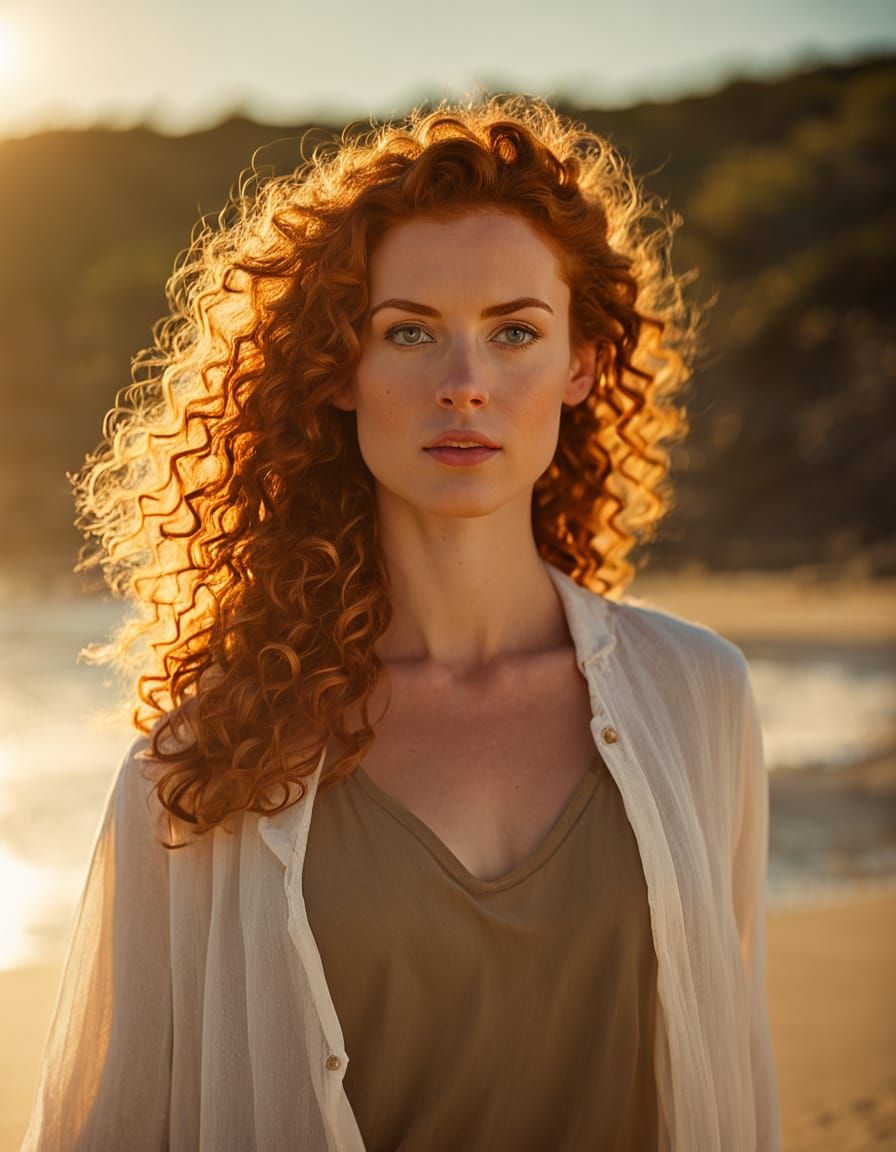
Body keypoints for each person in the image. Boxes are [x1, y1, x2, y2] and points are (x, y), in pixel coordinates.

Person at [22, 95, 780, 1151]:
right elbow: (112, 1125)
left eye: (513, 331)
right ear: (338, 366)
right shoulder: (201, 765)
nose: (463, 385)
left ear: (581, 365)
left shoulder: (697, 696)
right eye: (410, 332)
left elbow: (729, 1076)